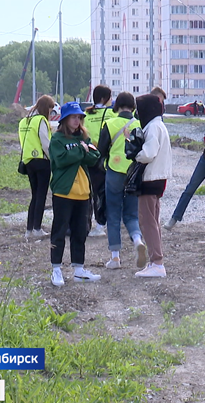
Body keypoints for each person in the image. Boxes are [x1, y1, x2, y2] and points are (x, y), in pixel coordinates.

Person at [48, 102, 102, 287]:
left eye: (79, 117)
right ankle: (56, 269)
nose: (77, 120)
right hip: (64, 193)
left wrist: (82, 152)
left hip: (83, 193)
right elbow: (61, 160)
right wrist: (81, 151)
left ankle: (79, 270)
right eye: (73, 117)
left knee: (80, 232)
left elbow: (95, 157)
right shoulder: (57, 139)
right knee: (59, 231)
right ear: (64, 119)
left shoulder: (84, 137)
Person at [97, 92, 146, 270]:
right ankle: (137, 241)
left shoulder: (109, 124)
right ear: (133, 107)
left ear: (116, 106)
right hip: (134, 173)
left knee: (113, 213)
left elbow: (101, 151)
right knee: (132, 214)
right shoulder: (140, 124)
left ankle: (115, 257)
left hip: (114, 172)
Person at [126, 94, 173, 278]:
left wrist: (135, 153)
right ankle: (155, 261)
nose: (138, 113)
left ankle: (157, 262)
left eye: (140, 108)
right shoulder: (159, 125)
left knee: (147, 221)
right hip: (159, 177)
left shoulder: (153, 127)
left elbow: (148, 154)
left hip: (151, 177)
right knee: (153, 219)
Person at [83, 84, 118, 237]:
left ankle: (86, 224)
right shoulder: (111, 114)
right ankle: (101, 224)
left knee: (89, 192)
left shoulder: (86, 114)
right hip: (105, 160)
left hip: (88, 157)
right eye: (110, 98)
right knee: (103, 194)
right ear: (104, 99)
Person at [19, 94, 54, 240]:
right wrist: (54, 159)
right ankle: (38, 228)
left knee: (34, 195)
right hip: (42, 161)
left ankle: (29, 229)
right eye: (51, 111)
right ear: (47, 108)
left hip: (28, 161)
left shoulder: (24, 121)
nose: (51, 114)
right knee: (41, 195)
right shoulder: (41, 120)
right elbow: (45, 143)